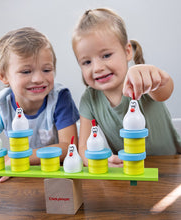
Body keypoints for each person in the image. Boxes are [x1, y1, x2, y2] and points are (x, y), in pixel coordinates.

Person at [0, 27, 79, 181]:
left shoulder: (59, 98)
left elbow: (68, 148)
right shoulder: (0, 105)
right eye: (26, 72)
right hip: (21, 180)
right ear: (3, 75)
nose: (38, 78)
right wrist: (5, 162)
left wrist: (18, 159)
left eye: (47, 69)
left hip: (57, 177)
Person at [72, 8, 181, 166]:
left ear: (127, 51)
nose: (97, 68)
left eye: (106, 55)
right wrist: (98, 162)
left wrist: (153, 75)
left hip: (172, 163)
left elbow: (164, 89)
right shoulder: (89, 99)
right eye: (87, 62)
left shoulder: (142, 80)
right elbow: (83, 147)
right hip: (131, 169)